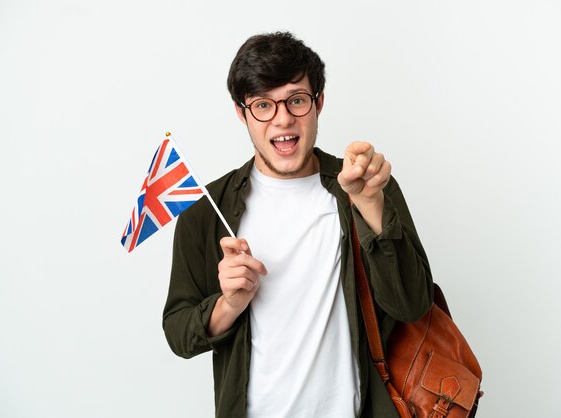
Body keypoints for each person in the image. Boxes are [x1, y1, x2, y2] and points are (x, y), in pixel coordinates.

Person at [163, 31, 434, 418]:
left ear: (318, 103)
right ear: (242, 113)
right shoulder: (206, 212)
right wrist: (228, 305)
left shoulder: (360, 186)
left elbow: (412, 304)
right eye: (263, 105)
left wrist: (371, 204)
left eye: (296, 100)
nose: (283, 119)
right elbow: (178, 332)